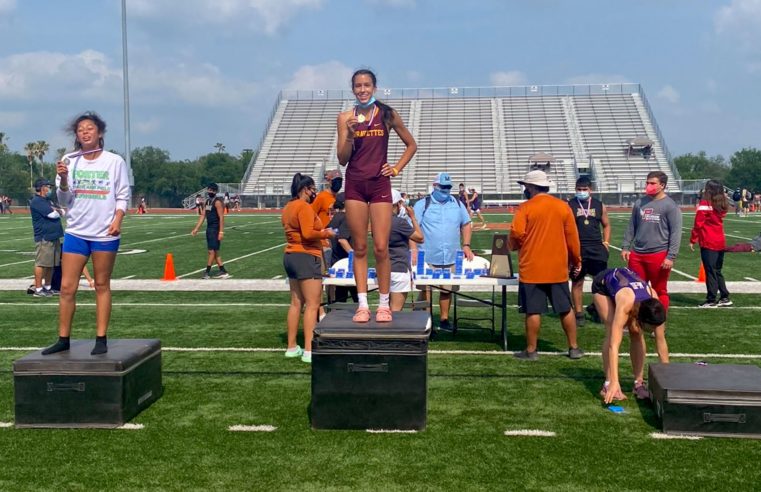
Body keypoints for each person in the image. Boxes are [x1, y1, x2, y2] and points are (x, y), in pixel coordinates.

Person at [42, 111, 131, 356]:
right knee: (68, 287)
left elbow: (123, 194)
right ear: (77, 136)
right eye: (80, 129)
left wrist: (118, 219)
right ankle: (63, 338)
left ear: (99, 133)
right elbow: (63, 199)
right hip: (77, 231)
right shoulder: (69, 160)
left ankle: (101, 338)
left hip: (104, 233)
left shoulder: (114, 161)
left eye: (90, 128)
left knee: (101, 284)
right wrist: (62, 179)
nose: (85, 132)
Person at [336, 68, 417, 323]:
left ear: (374, 87)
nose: (362, 90)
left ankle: (384, 303)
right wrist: (349, 134)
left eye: (367, 85)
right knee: (359, 247)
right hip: (355, 185)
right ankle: (362, 304)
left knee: (381, 247)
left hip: (380, 185)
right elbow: (342, 158)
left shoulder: (387, 113)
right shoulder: (345, 117)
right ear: (353, 89)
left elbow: (411, 144)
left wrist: (396, 167)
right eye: (358, 86)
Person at [508, 170, 584, 360]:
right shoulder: (562, 207)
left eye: (526, 186)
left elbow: (516, 234)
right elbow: (572, 238)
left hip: (532, 267)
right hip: (557, 268)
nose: (525, 189)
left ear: (532, 187)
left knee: (533, 310)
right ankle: (573, 347)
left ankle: (532, 350)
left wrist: (515, 245)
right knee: (565, 308)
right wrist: (577, 260)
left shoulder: (525, 208)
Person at [592, 268, 669, 403]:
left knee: (636, 332)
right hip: (603, 286)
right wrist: (614, 382)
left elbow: (661, 342)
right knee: (612, 331)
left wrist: (668, 378)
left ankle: (638, 383)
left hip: (630, 289)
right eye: (651, 328)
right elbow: (614, 346)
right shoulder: (626, 303)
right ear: (642, 318)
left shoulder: (655, 302)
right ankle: (607, 384)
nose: (653, 331)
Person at [281, 173, 335, 364]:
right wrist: (325, 233)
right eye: (313, 189)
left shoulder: (288, 206)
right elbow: (307, 233)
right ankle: (309, 350)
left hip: (290, 255)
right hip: (305, 255)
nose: (315, 193)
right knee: (313, 304)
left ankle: (291, 346)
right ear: (305, 189)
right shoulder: (303, 207)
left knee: (296, 303)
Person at [414, 172, 473, 330]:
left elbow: (466, 224)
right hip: (427, 256)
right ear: (434, 186)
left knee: (447, 289)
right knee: (426, 289)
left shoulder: (457, 203)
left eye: (448, 187)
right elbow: (413, 228)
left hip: (451, 256)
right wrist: (413, 250)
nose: (446, 190)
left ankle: (444, 319)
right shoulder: (422, 204)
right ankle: (426, 321)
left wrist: (466, 245)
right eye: (443, 187)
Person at [621, 171, 682, 312]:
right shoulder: (640, 202)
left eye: (652, 183)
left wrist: (671, 256)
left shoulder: (670, 206)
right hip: (637, 254)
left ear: (662, 185)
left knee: (659, 290)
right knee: (635, 290)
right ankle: (635, 323)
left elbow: (676, 232)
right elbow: (632, 226)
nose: (649, 186)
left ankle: (659, 325)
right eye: (647, 183)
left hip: (658, 254)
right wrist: (625, 246)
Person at [567, 176, 611, 326]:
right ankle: (579, 313)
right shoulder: (570, 205)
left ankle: (596, 308)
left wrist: (606, 242)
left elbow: (606, 225)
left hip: (597, 249)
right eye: (579, 189)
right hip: (578, 248)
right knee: (577, 281)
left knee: (600, 282)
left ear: (590, 190)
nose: (582, 192)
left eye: (584, 189)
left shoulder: (599, 205)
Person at [690, 180, 731, 308]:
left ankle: (711, 299)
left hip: (708, 240)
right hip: (720, 239)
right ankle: (724, 296)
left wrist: (693, 239)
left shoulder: (705, 203)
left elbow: (698, 223)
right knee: (717, 270)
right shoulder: (722, 203)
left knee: (710, 271)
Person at [389, 189, 424, 311]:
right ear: (397, 204)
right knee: (395, 311)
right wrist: (413, 218)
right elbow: (420, 238)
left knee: (385, 309)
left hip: (383, 268)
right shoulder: (399, 222)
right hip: (398, 267)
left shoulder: (377, 221)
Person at [29, 178, 64, 297]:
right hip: (44, 236)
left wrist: (58, 211)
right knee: (41, 263)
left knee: (51, 264)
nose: (50, 189)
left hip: (54, 236)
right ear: (41, 187)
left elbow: (62, 212)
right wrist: (58, 211)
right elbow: (53, 214)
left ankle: (48, 287)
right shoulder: (37, 201)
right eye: (48, 186)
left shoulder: (47, 200)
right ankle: (38, 289)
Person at [191, 183, 230, 279]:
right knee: (215, 252)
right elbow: (203, 215)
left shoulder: (217, 202)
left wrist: (221, 231)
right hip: (209, 228)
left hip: (215, 229)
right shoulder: (207, 201)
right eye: (209, 190)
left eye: (212, 190)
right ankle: (223, 271)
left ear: (215, 192)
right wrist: (196, 228)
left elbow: (221, 217)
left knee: (211, 251)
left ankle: (207, 272)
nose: (210, 192)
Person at [326, 193, 357, 303]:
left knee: (340, 298)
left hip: (336, 261)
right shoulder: (346, 218)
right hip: (347, 264)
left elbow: (328, 235)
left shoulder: (335, 218)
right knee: (359, 299)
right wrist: (353, 256)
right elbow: (342, 240)